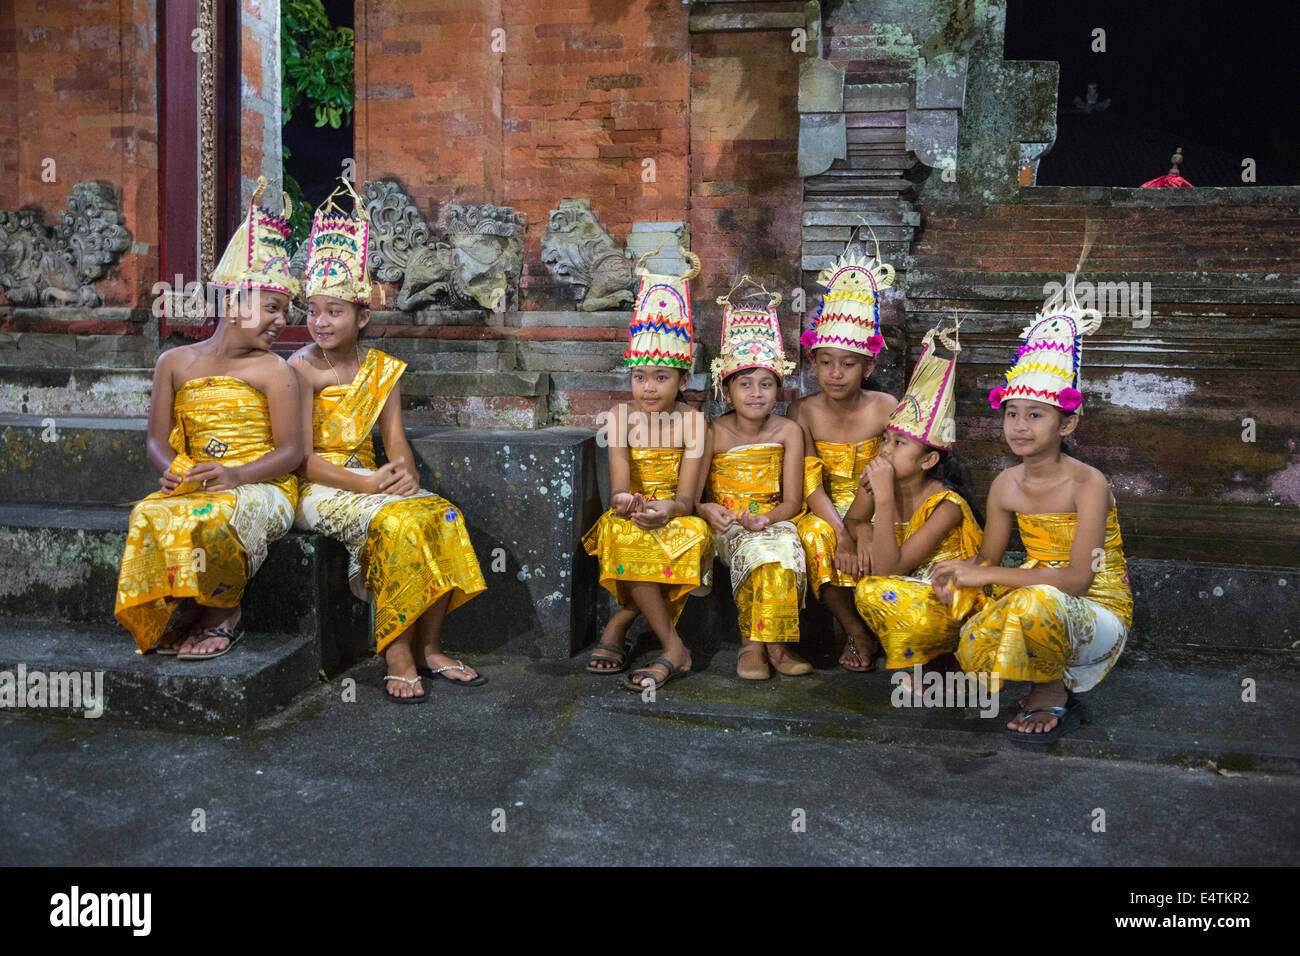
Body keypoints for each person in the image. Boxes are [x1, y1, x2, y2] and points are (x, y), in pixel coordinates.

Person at [289, 180, 487, 703]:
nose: (321, 322)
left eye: (334, 311)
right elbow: (299, 460)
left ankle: (431, 647)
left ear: (363, 316)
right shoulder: (300, 369)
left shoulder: (383, 370)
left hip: (371, 479)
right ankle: (396, 655)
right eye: (313, 310)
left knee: (442, 515)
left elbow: (394, 440)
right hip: (320, 486)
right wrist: (367, 483)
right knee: (398, 524)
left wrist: (405, 472)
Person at [931, 283, 1132, 745]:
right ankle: (941, 672)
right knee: (929, 590)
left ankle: (1049, 687)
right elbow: (988, 560)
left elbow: (1079, 580)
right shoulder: (1006, 483)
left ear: (1067, 423)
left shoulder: (1089, 484)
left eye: (1036, 416)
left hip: (1095, 608)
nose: (1019, 426)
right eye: (1012, 414)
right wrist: (961, 575)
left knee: (1034, 600)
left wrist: (987, 576)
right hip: (1032, 588)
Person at [116, 178, 305, 659]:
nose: (281, 321)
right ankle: (179, 611)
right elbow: (156, 442)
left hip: (261, 483)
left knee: (213, 514)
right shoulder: (175, 362)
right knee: (148, 512)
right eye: (272, 308)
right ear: (235, 302)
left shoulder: (275, 371)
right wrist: (177, 469)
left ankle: (223, 612)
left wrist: (235, 475)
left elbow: (292, 452)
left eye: (284, 311)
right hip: (197, 480)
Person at [581, 247, 712, 688]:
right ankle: (675, 648)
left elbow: (689, 501)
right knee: (619, 532)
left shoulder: (693, 422)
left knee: (690, 536)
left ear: (683, 379)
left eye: (661, 377)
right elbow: (619, 486)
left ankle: (620, 624)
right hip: (634, 514)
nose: (649, 387)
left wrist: (668, 510)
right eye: (640, 377)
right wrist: (626, 502)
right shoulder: (619, 419)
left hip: (676, 517)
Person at [849, 320, 983, 691]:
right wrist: (862, 534)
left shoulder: (947, 505)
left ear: (927, 461)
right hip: (908, 589)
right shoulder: (878, 477)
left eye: (899, 444)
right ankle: (926, 661)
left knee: (877, 587)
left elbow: (891, 568)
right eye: (886, 439)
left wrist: (885, 497)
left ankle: (945, 660)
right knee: (864, 583)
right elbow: (853, 520)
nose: (886, 450)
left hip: (949, 600)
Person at [789, 235, 898, 671]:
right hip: (823, 507)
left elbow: (897, 469)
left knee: (889, 537)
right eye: (826, 362)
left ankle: (893, 629)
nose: (835, 374)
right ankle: (855, 631)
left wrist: (866, 524)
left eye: (848, 364)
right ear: (812, 363)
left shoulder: (887, 408)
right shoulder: (802, 410)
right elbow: (808, 478)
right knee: (816, 538)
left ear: (868, 367)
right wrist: (842, 530)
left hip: (876, 501)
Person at [696, 285, 810, 681]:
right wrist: (707, 510)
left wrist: (767, 519)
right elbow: (693, 497)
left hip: (772, 519)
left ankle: (768, 647)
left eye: (766, 383)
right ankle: (755, 644)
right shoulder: (711, 432)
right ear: (725, 390)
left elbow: (794, 500)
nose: (756, 393)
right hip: (727, 523)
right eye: (745, 384)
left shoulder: (789, 432)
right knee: (757, 549)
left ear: (779, 388)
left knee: (779, 548)